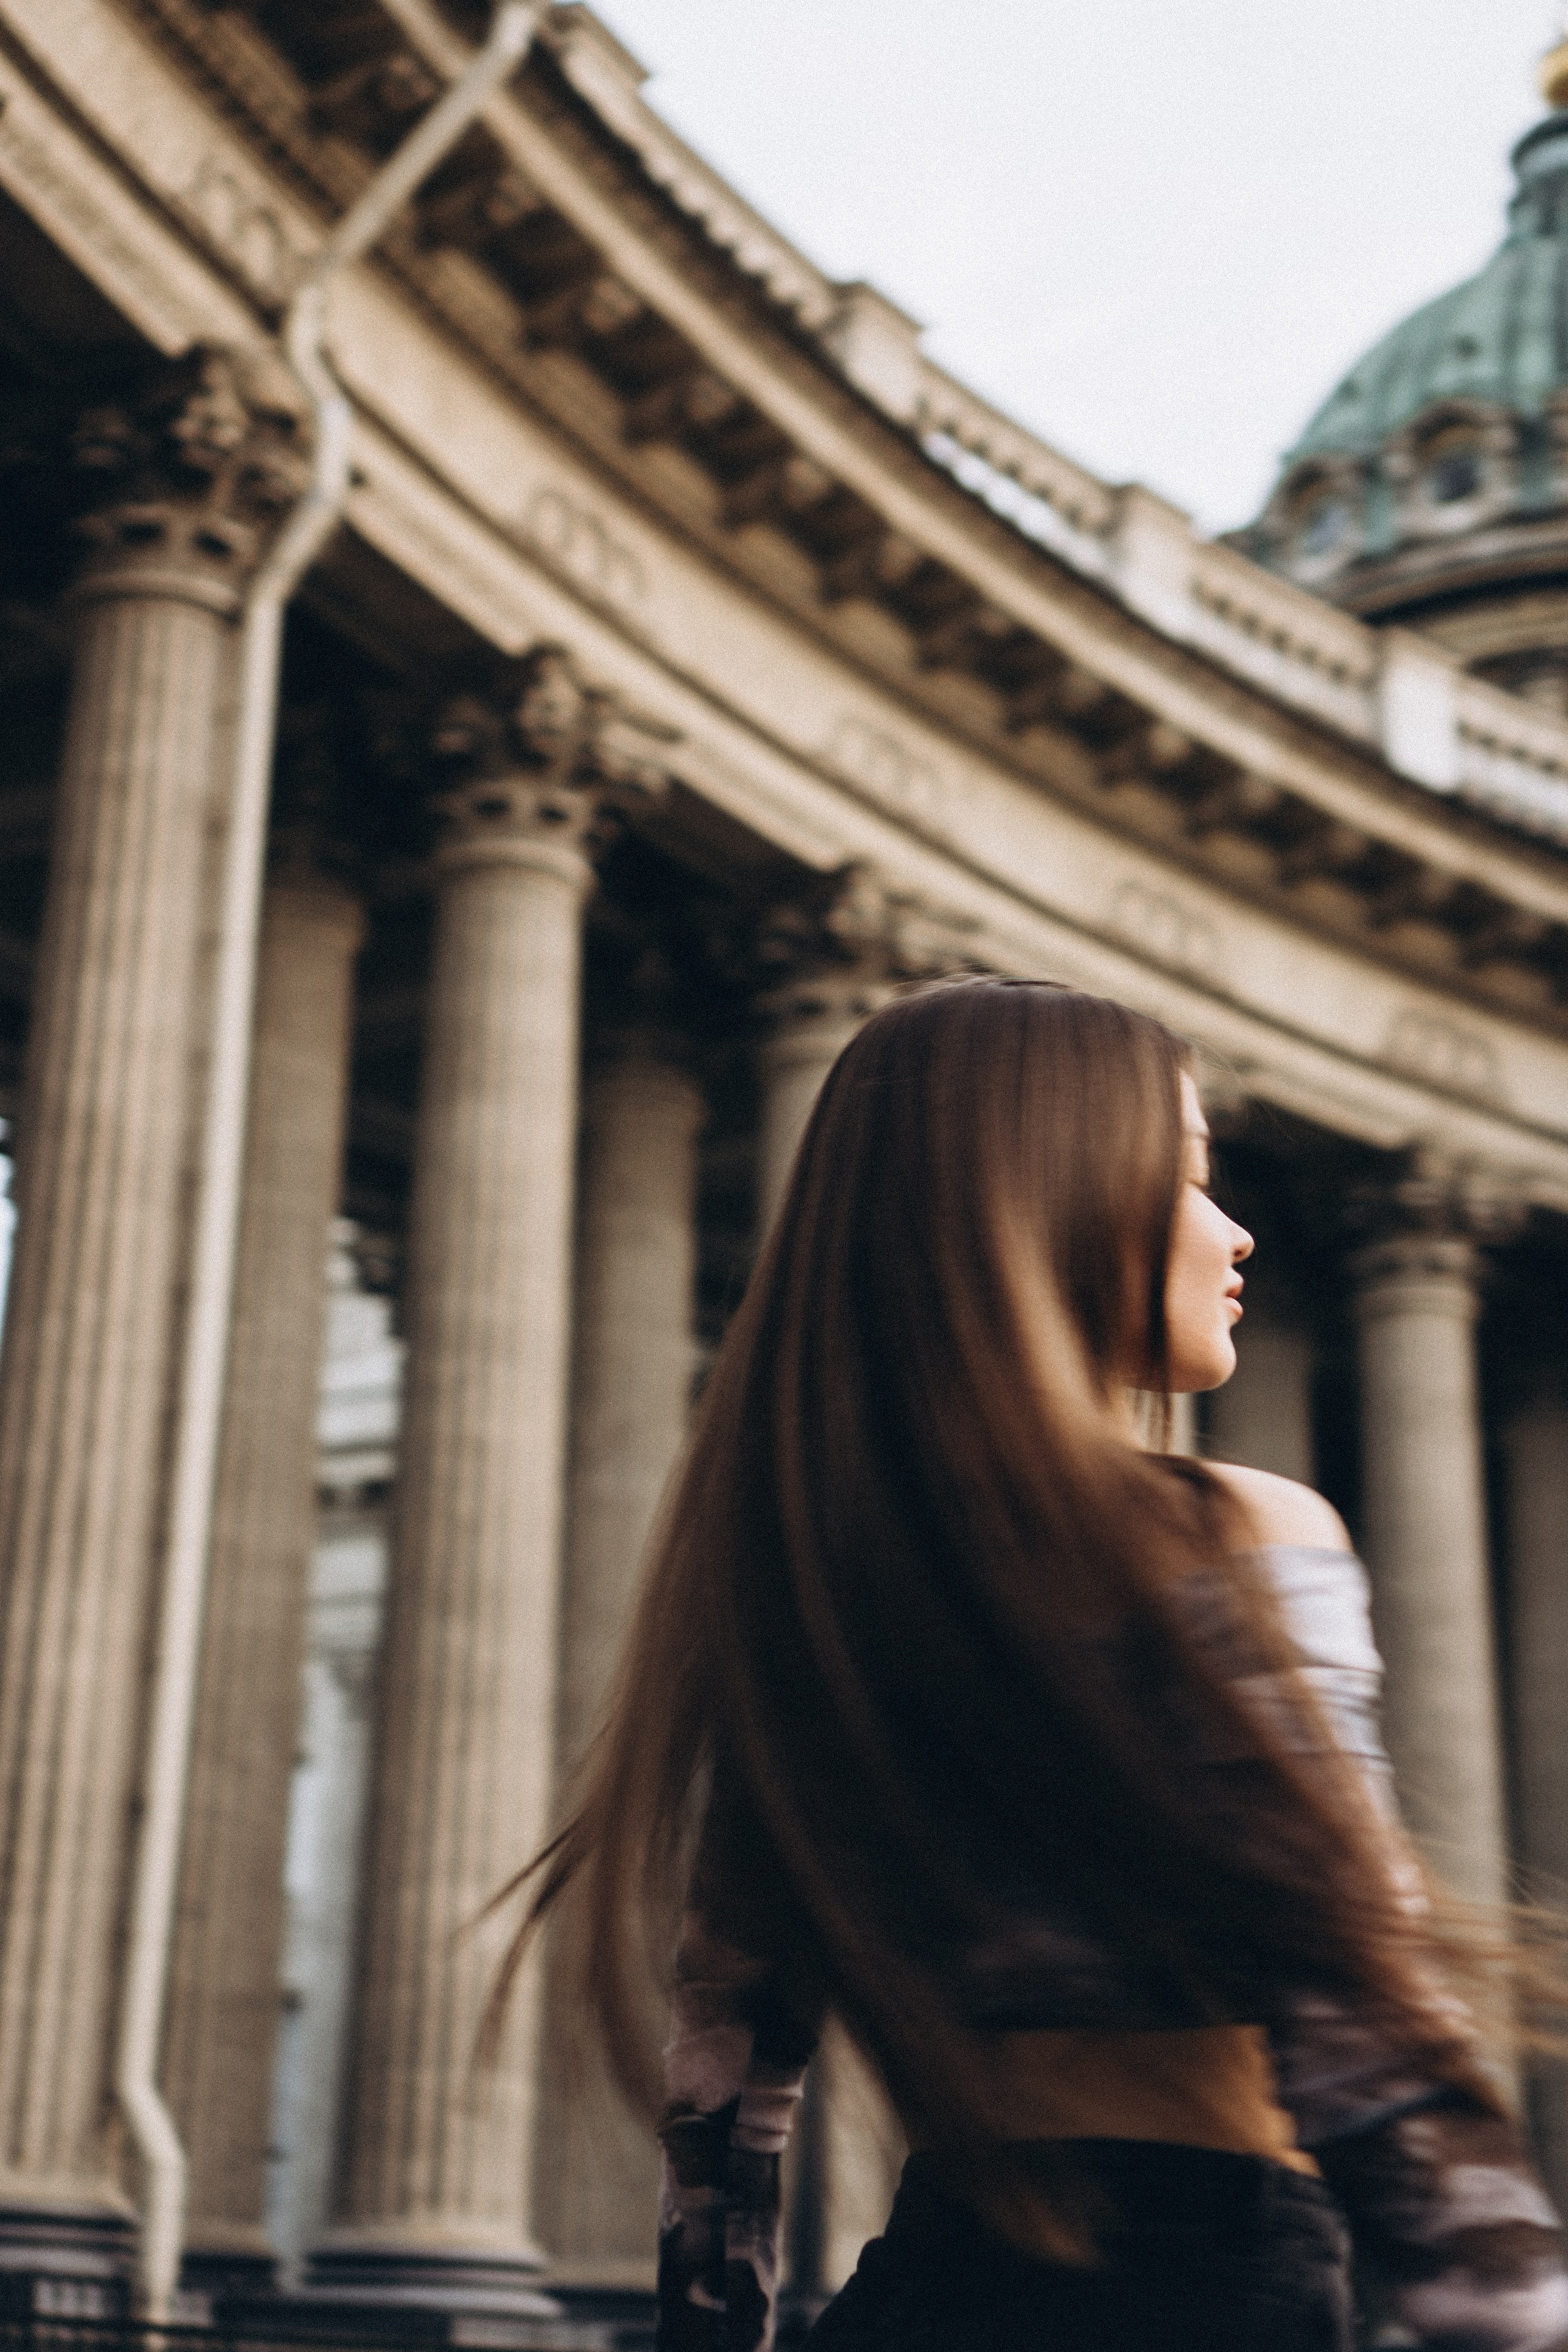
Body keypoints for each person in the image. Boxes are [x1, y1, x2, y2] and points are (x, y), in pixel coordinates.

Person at [499, 979, 1568, 2352]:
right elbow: (1348, 1995)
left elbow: (723, 2081)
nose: (1232, 1234)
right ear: (1051, 1206)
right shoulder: (1226, 1531)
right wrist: (1512, 2305)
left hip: (931, 2284)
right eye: (1183, 1179)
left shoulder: (816, 1600)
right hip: (1203, 2288)